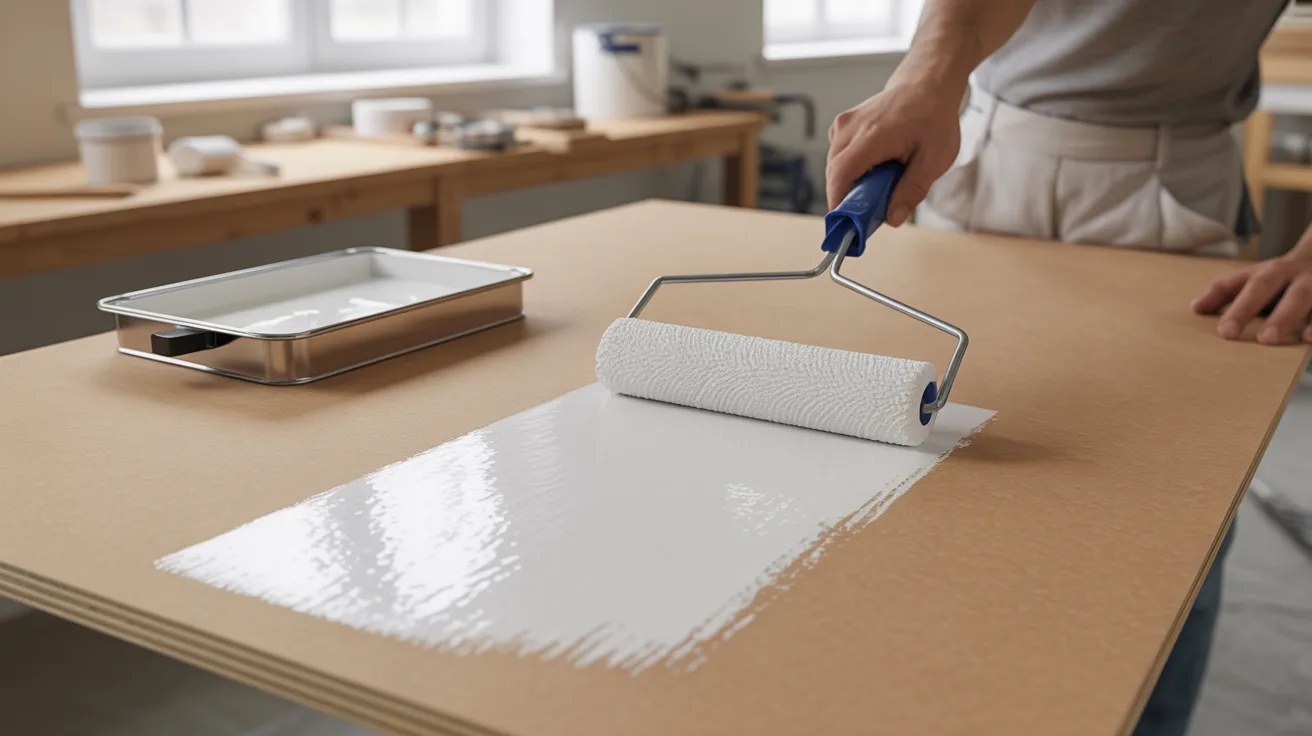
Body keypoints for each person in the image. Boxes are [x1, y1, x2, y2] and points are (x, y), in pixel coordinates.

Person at [825, 2, 1312, 735]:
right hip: (980, 151)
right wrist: (929, 70)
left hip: (1172, 176)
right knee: (940, 489)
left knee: (1166, 511)